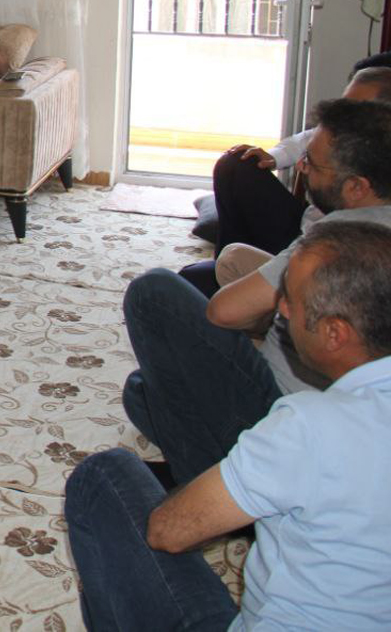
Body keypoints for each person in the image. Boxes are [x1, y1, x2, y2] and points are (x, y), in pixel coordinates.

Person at [66, 220, 391, 630]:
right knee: (140, 392)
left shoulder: (311, 426)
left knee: (104, 475)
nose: (281, 309)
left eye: (292, 301)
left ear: (335, 334)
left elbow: (169, 532)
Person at [121, 98, 391, 489]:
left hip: (285, 411)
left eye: (313, 165)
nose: (302, 168)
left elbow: (224, 312)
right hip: (339, 419)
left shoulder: (340, 241)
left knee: (154, 292)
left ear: (356, 187)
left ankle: (212, 479)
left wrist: (263, 319)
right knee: (140, 390)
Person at [209, 56, 391, 257]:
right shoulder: (340, 130)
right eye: (343, 104)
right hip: (302, 230)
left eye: (353, 109)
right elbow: (302, 140)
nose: (342, 114)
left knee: (193, 274)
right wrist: (273, 157)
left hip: (327, 252)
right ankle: (228, 259)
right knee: (236, 163)